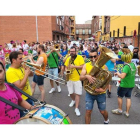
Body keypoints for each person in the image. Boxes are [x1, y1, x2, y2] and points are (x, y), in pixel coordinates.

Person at [80, 49, 109, 124]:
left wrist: (103, 90)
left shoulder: (104, 66)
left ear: (98, 56)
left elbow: (108, 81)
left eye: (95, 56)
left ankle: (106, 120)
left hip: (100, 93)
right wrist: (87, 76)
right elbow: (81, 77)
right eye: (91, 57)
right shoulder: (86, 65)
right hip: (89, 93)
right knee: (88, 111)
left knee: (102, 111)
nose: (93, 58)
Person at [6, 51, 33, 117]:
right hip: (22, 100)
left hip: (29, 96)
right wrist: (26, 74)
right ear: (14, 60)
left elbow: (31, 75)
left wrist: (28, 70)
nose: (22, 60)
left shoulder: (21, 67)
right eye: (20, 59)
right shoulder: (10, 72)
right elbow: (19, 87)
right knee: (25, 120)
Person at [112, 48, 136, 117]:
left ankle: (119, 110)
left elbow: (122, 76)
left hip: (124, 85)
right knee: (128, 98)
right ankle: (127, 112)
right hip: (131, 84)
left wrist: (117, 73)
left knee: (120, 97)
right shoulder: (133, 64)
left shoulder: (126, 66)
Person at [65, 46, 85, 116]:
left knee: (77, 94)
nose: (72, 53)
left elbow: (83, 66)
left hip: (78, 79)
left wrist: (74, 66)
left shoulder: (80, 57)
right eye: (71, 51)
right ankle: (73, 100)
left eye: (73, 51)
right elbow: (66, 66)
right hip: (70, 78)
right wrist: (66, 71)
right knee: (70, 93)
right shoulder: (68, 58)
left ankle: (76, 108)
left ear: (76, 51)